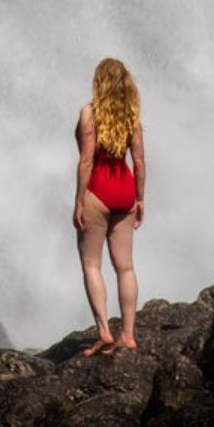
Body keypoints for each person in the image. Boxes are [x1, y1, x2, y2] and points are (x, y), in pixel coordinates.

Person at [72, 57, 146, 356]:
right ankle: (128, 335)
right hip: (125, 190)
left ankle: (104, 331)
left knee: (92, 264)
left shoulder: (89, 113)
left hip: (98, 192)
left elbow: (87, 160)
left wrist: (79, 199)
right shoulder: (131, 117)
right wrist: (140, 198)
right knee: (125, 266)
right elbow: (139, 160)